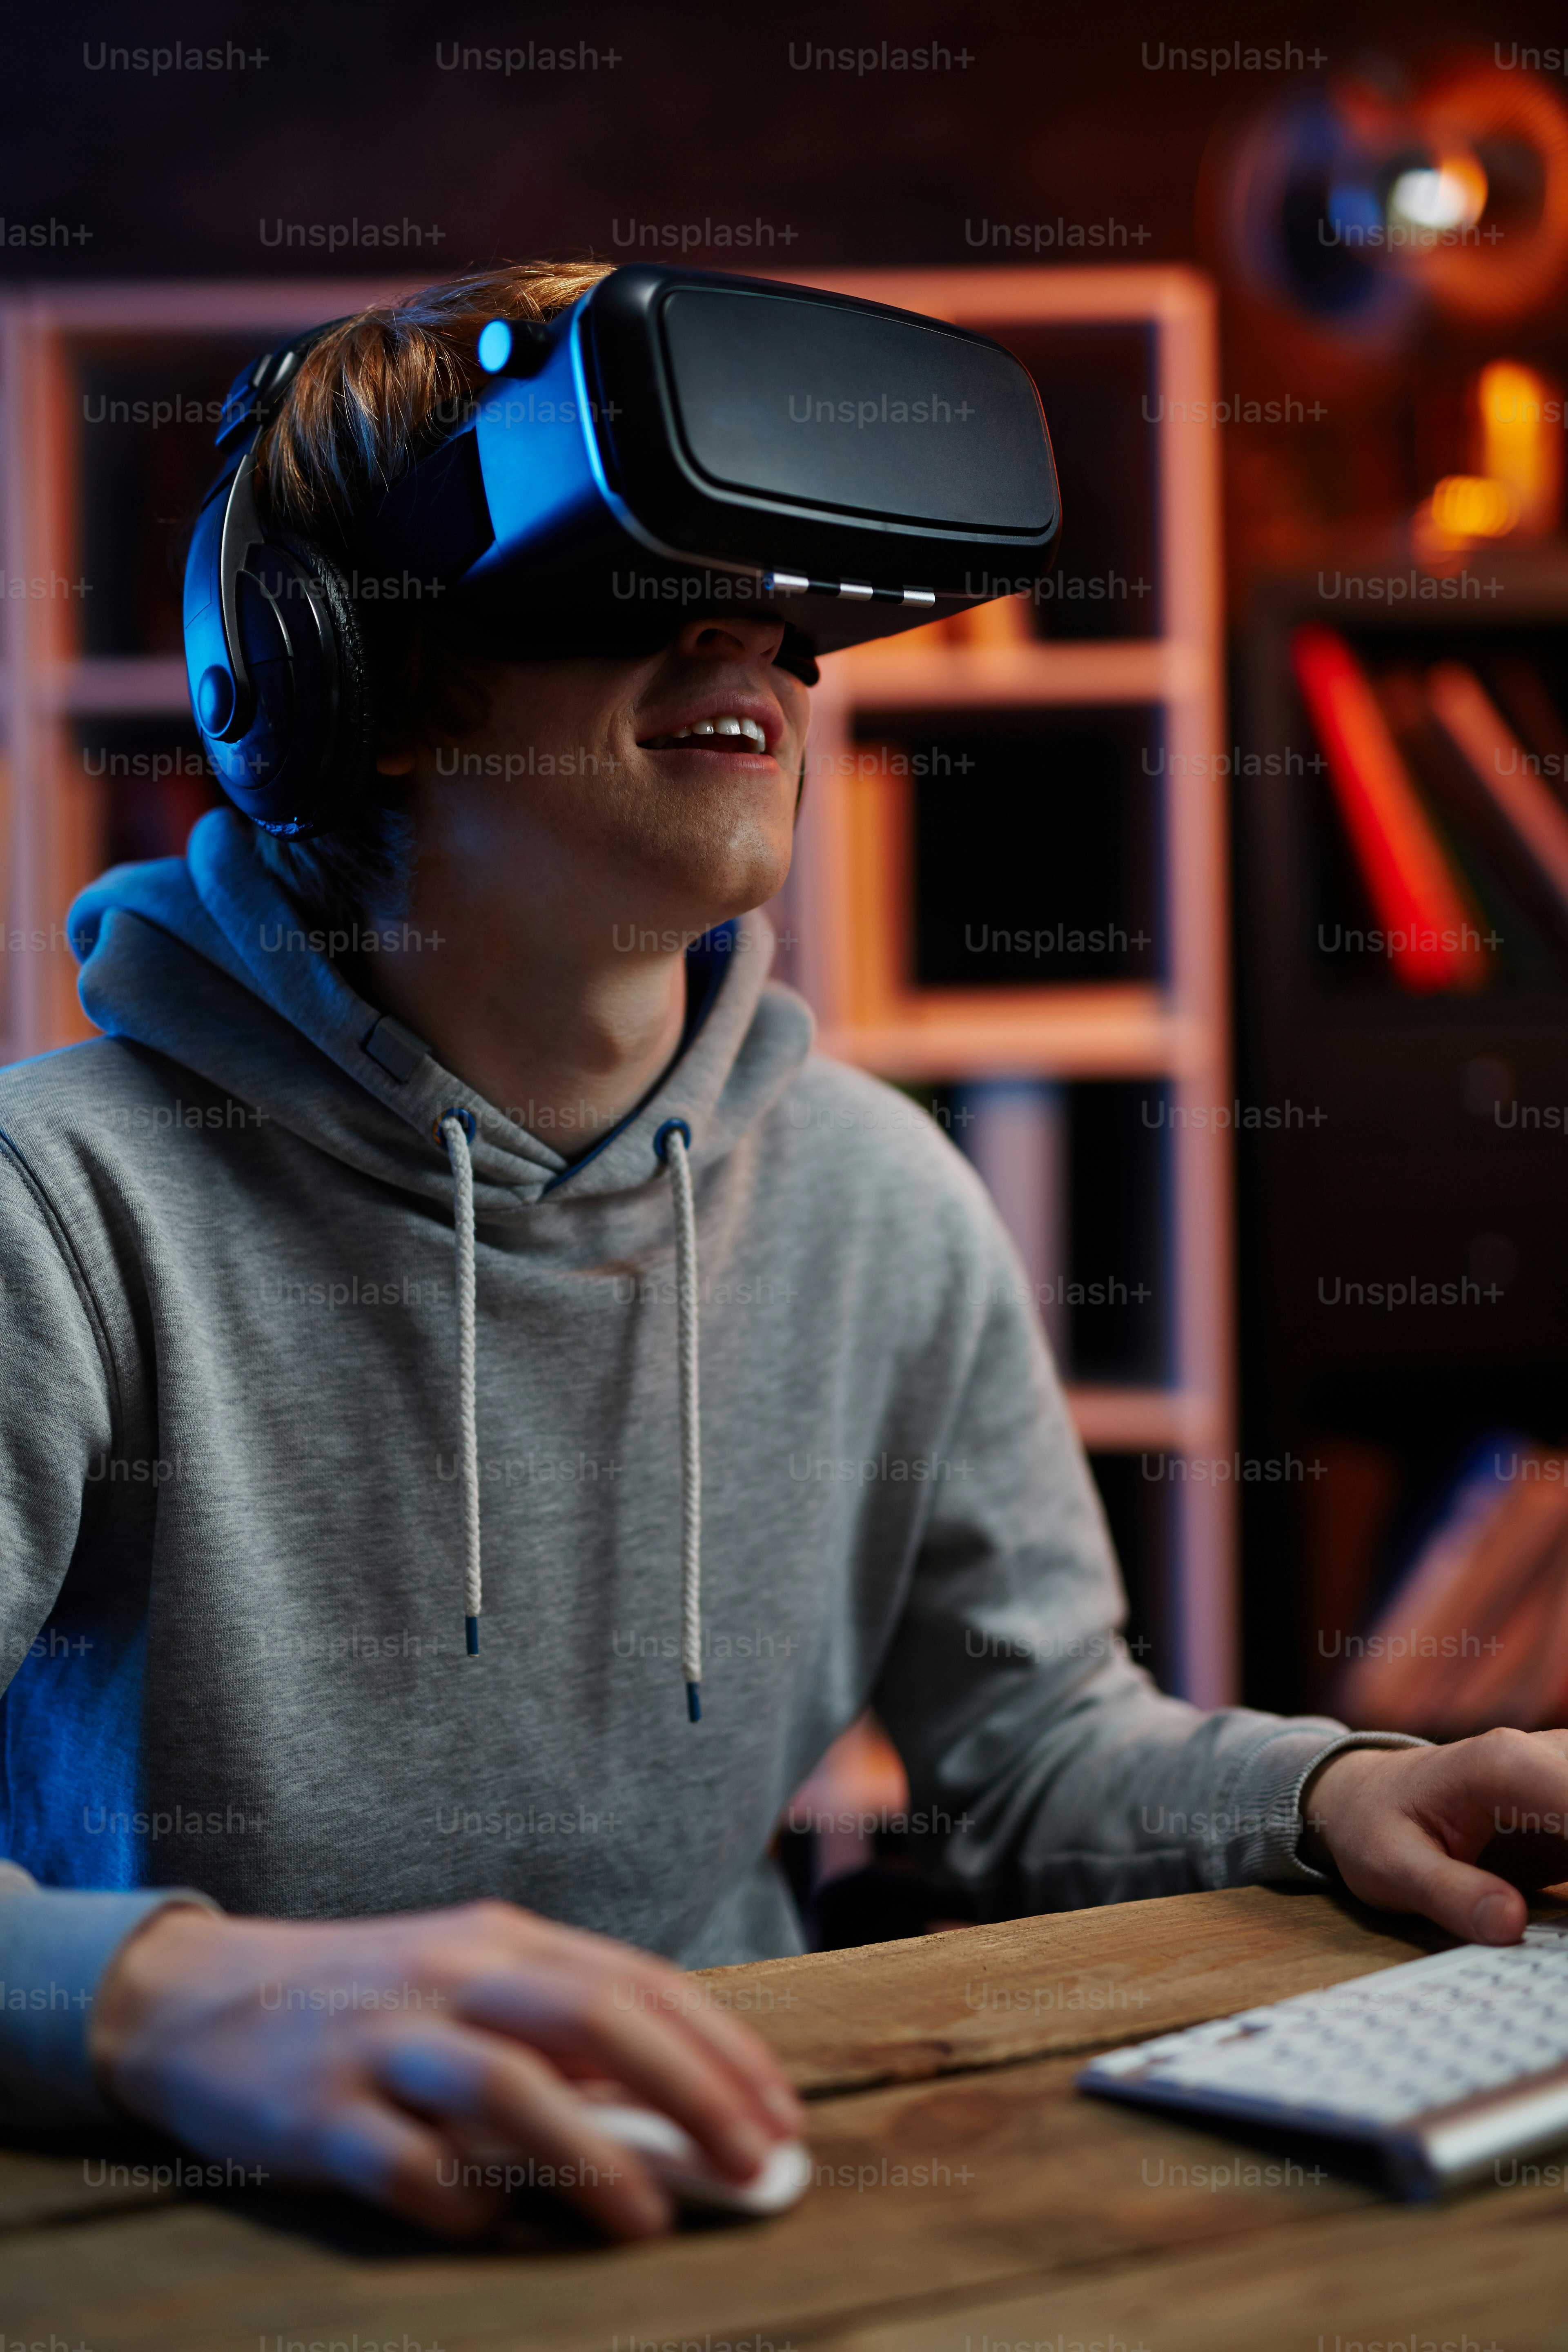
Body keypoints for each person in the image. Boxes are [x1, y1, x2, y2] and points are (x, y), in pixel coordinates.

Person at [3, 259, 1567, 2243]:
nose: (750, 635)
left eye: (773, 595)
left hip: (745, 2180)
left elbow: (1036, 1751)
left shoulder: (881, 1192)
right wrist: (167, 2001)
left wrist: (1334, 1794)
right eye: (639, 569)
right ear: (347, 682)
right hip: (210, 2225)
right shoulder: (57, 1209)